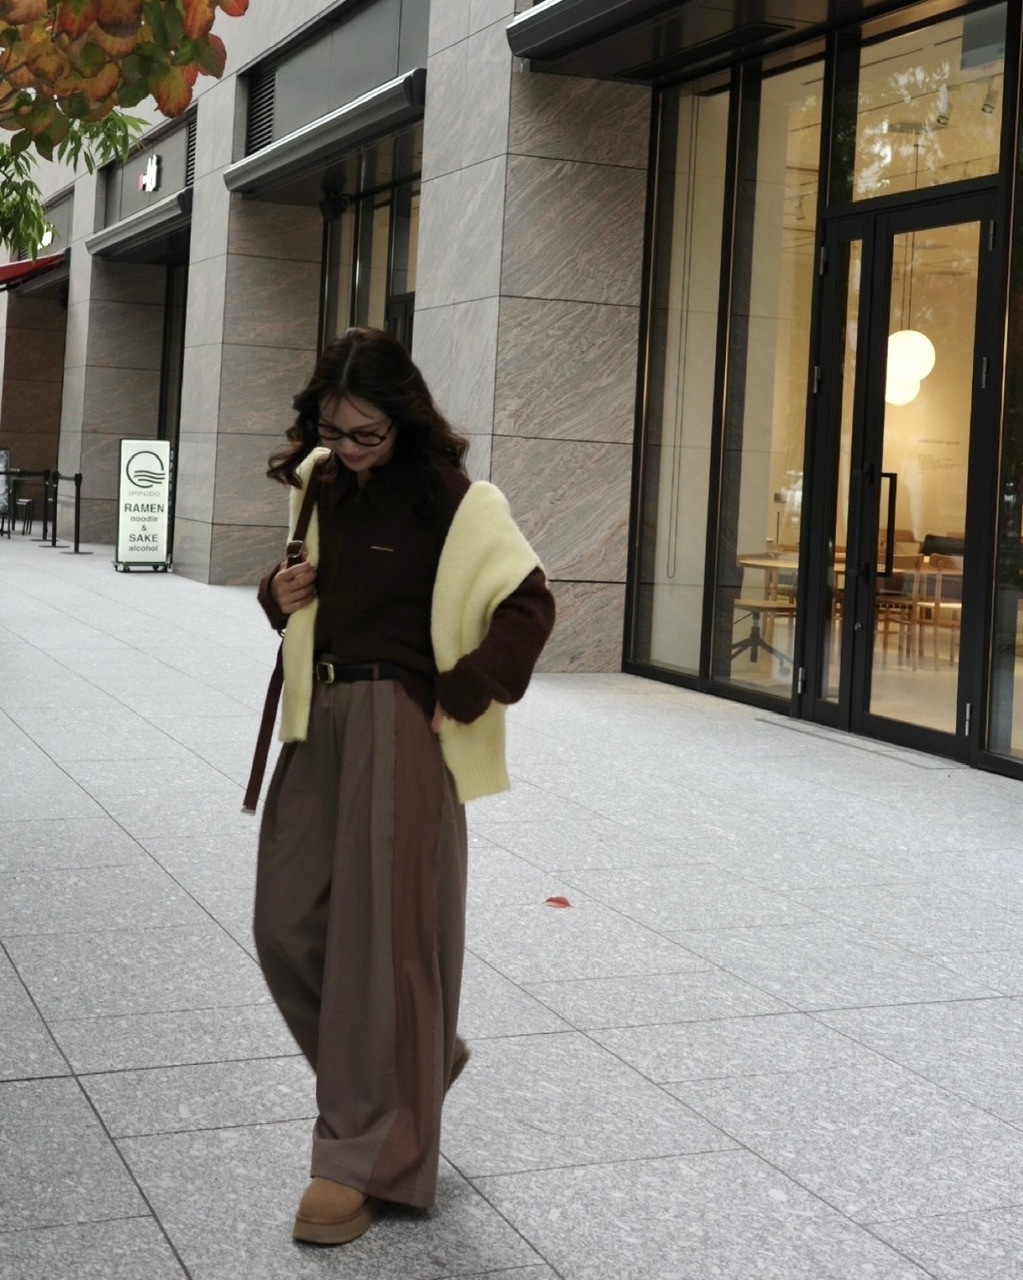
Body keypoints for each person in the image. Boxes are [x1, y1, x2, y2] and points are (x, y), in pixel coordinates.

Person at [250, 326, 555, 1247]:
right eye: (331, 430)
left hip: (400, 724)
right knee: (286, 926)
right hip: (317, 717)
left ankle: (361, 1155)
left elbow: (529, 602)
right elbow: (305, 589)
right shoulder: (319, 483)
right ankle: (412, 1065)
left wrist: (464, 687)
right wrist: (276, 594)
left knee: (384, 945)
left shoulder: (456, 500)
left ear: (403, 419)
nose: (345, 448)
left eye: (364, 434)